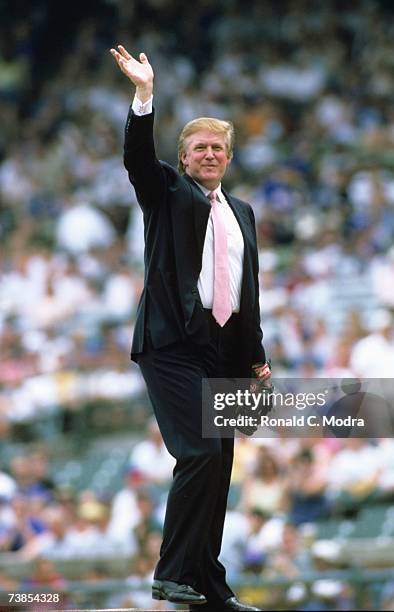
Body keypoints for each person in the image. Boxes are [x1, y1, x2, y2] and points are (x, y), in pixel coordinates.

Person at [110, 44, 271, 611]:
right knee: (199, 454)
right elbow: (134, 158)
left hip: (224, 352)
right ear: (183, 158)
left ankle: (208, 584)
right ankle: (171, 572)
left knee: (220, 468)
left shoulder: (244, 213)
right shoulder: (167, 193)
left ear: (229, 157)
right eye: (199, 147)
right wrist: (144, 94)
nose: (209, 153)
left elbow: (244, 289)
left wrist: (256, 359)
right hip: (172, 344)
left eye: (218, 147)